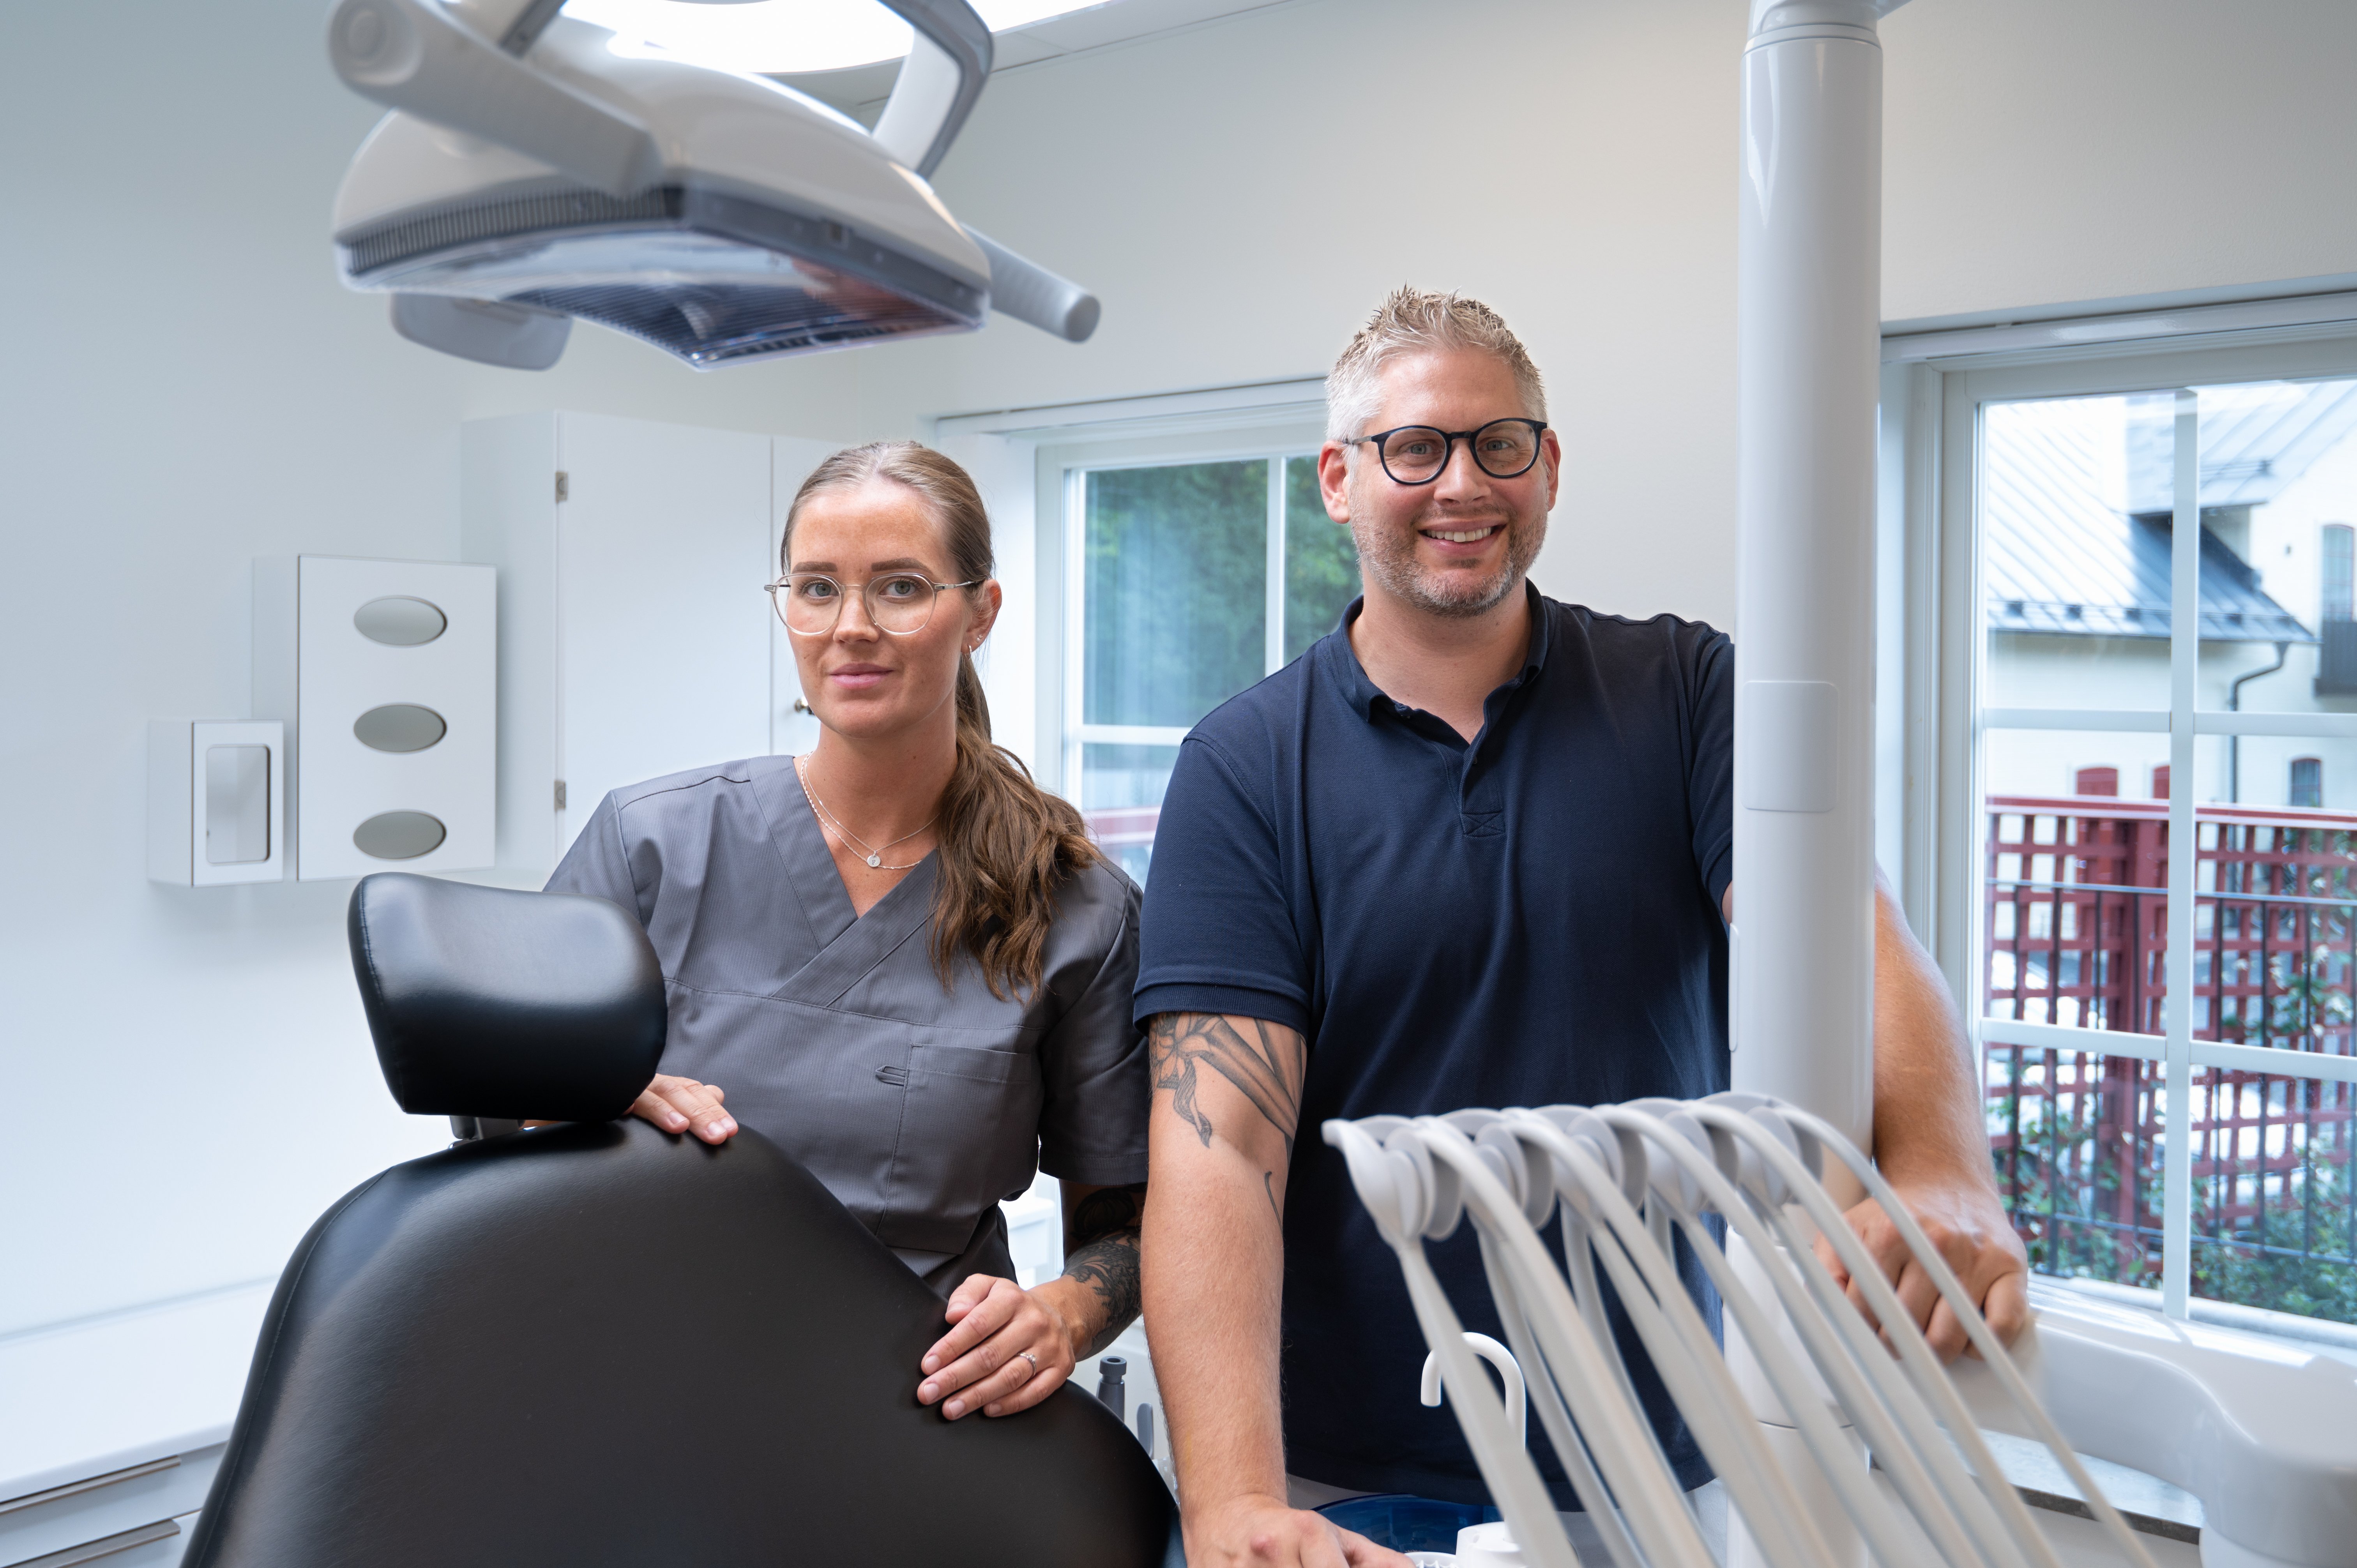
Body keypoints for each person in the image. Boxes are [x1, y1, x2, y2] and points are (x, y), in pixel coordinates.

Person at [1136, 288, 2028, 1567]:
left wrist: (1943, 1166)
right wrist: (1233, 1502)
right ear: (1339, 480)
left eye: (1498, 443)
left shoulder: (1688, 692)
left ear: (1548, 467)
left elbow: (1850, 940)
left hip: (1653, 1462)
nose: (1461, 483)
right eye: (1413, 448)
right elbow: (1219, 1150)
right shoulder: (1242, 765)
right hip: (1345, 1481)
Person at [546, 441, 1149, 1424]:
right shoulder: (651, 845)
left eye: (901, 587)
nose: (851, 627)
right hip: (640, 1391)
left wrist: (1061, 1316)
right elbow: (500, 1114)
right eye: (817, 588)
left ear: (981, 612)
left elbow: (1128, 1226)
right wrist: (580, 1099)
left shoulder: (1076, 908)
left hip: (914, 1421)